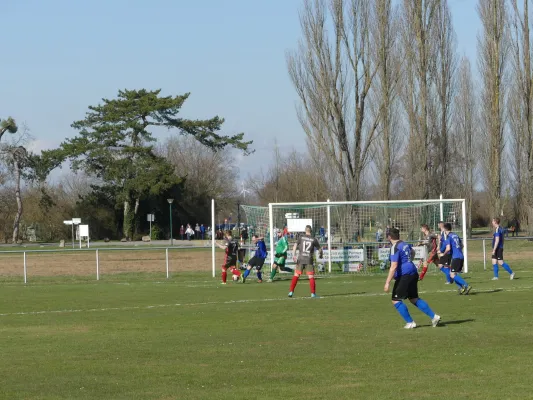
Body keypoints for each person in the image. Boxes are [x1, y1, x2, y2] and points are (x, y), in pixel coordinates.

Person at [384, 228, 441, 329]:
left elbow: (393, 266)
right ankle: (434, 316)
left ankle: (410, 322)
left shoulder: (394, 247)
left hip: (404, 274)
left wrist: (387, 282)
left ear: (389, 237)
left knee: (395, 300)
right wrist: (408, 261)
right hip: (413, 272)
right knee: (413, 298)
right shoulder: (404, 244)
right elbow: (413, 252)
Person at [289, 225, 322, 298]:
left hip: (300, 259)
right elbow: (320, 249)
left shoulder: (301, 237)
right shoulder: (314, 239)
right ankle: (313, 294)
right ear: (311, 230)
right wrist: (321, 255)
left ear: (305, 230)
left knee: (296, 275)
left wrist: (293, 255)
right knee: (311, 276)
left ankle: (291, 292)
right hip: (309, 259)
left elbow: (294, 246)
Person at [441, 223, 472, 294]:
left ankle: (466, 285)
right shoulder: (456, 235)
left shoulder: (449, 237)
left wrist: (444, 254)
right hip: (461, 256)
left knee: (452, 275)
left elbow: (448, 248)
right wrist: (456, 250)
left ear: (445, 229)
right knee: (454, 274)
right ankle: (461, 288)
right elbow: (462, 245)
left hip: (456, 257)